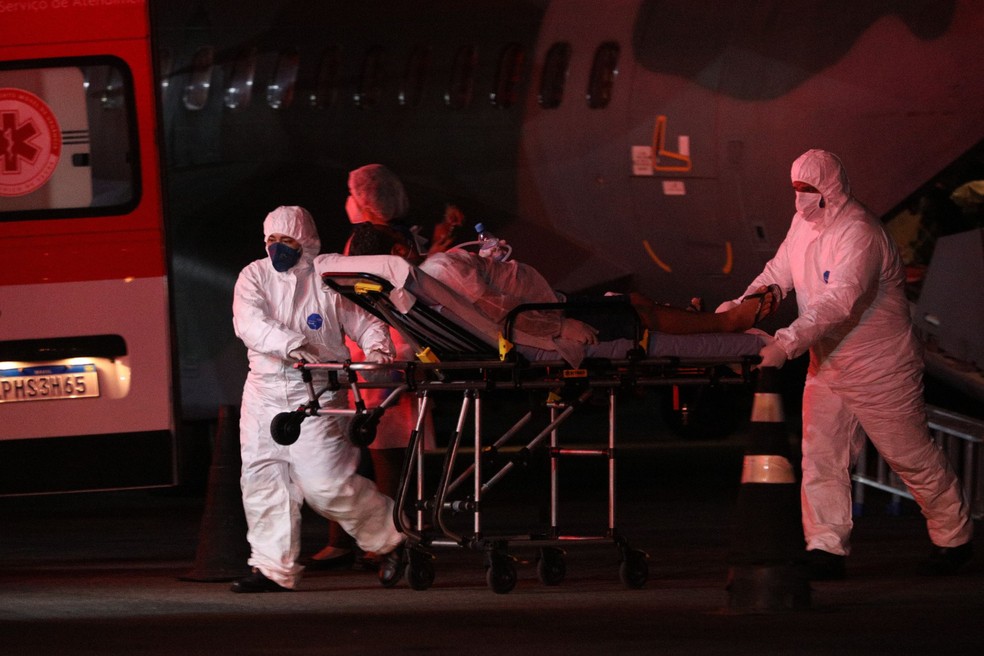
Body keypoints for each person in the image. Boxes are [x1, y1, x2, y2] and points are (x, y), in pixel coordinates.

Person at [719, 149, 974, 579]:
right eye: (796, 189)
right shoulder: (804, 224)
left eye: (809, 189)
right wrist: (740, 309)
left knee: (910, 457)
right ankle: (825, 547)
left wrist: (785, 342)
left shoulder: (860, 233)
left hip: (881, 368)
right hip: (828, 364)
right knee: (821, 456)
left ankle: (954, 536)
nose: (800, 198)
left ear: (830, 188)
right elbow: (777, 273)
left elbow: (838, 303)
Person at [231, 205, 406, 592]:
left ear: (306, 242)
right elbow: (250, 323)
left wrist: (378, 354)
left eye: (287, 241)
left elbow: (367, 321)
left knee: (326, 485)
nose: (278, 249)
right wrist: (292, 345)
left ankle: (392, 539)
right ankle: (272, 569)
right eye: (272, 241)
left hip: (320, 394)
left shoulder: (328, 279)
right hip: (264, 393)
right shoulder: (254, 276)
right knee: (262, 480)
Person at [345, 222, 777, 352]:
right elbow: (495, 308)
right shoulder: (441, 269)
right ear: (400, 247)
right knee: (635, 313)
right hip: (543, 318)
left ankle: (701, 319)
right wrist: (557, 329)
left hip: (541, 312)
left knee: (631, 304)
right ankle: (725, 324)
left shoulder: (408, 289)